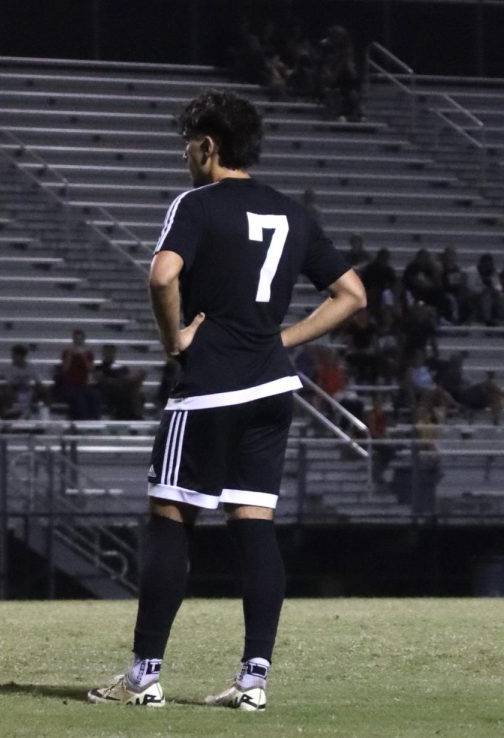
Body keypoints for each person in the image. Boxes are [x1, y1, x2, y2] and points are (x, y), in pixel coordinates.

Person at [89, 90, 365, 711]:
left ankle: (144, 676)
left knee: (169, 522)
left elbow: (162, 275)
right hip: (273, 390)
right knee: (254, 529)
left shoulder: (196, 203)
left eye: (189, 143)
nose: (185, 155)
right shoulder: (291, 212)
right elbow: (353, 294)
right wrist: (282, 338)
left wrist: (174, 341)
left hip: (211, 385)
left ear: (208, 145)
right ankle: (254, 681)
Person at [58, 329, 100, 420]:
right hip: (70, 385)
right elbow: (65, 370)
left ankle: (95, 422)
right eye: (76, 339)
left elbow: (91, 369)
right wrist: (70, 355)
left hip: (84, 385)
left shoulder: (88, 353)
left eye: (80, 339)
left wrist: (83, 355)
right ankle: (84, 422)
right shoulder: (67, 352)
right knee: (79, 400)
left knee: (95, 396)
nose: (78, 341)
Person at [96, 344, 146, 420]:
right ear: (103, 353)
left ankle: (136, 416)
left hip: (123, 388)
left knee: (133, 390)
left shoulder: (122, 367)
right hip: (110, 390)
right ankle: (138, 417)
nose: (109, 354)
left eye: (111, 352)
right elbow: (101, 380)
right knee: (132, 389)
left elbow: (127, 377)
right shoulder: (99, 368)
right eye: (107, 352)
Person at [0, 344, 45, 419]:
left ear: (21, 356)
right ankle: (9, 410)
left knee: (42, 390)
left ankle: (40, 411)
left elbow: (38, 382)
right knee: (8, 391)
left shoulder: (32, 366)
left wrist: (40, 390)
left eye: (14, 356)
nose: (12, 358)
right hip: (15, 388)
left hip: (28, 388)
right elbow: (9, 384)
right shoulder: (10, 368)